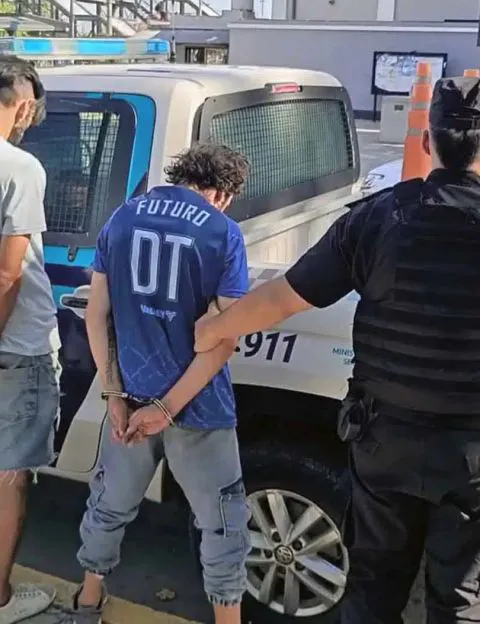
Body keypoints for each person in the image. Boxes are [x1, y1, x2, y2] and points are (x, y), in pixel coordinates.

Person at [195, 76, 480, 624]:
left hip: (384, 441)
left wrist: (212, 331)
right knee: (462, 599)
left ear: (427, 142)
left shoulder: (376, 218)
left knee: (373, 587)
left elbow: (283, 298)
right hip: (471, 456)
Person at [72, 143, 252, 624]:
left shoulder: (122, 218)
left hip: (130, 399)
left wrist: (114, 394)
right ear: (223, 194)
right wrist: (169, 408)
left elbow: (96, 314)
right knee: (222, 524)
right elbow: (224, 338)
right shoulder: (222, 232)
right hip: (199, 407)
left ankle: (87, 602)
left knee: (109, 504)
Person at [0, 56, 60, 622]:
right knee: (9, 474)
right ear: (22, 107)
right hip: (15, 346)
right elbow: (8, 274)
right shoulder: (19, 167)